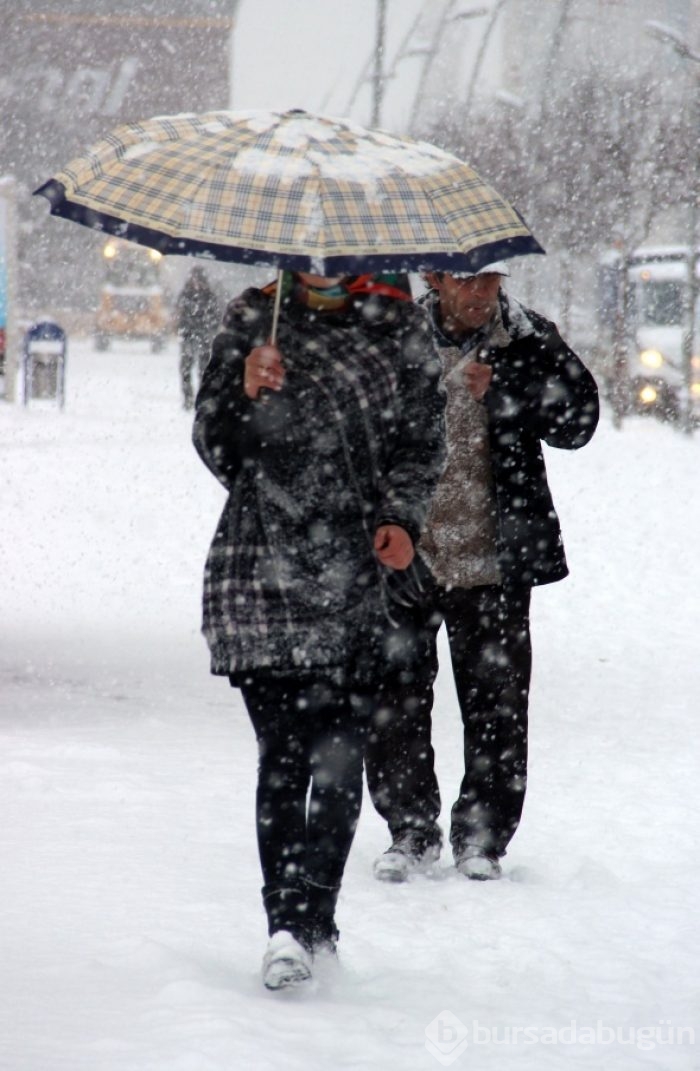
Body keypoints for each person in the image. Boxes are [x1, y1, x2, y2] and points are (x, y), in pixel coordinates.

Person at [192, 270, 445, 989]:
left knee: (338, 759)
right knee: (282, 754)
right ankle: (285, 923)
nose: (323, 262)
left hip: (356, 572)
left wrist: (400, 516)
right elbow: (217, 449)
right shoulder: (253, 316)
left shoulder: (397, 326)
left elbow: (423, 440)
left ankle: (314, 920)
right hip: (259, 571)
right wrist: (244, 393)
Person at [364, 262, 600, 883]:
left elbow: (581, 423)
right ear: (434, 279)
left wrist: (505, 390)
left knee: (497, 705)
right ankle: (411, 831)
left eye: (489, 280)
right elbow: (357, 430)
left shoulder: (531, 338)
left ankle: (483, 838)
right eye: (465, 280)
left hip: (496, 557)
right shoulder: (393, 337)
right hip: (405, 553)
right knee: (394, 701)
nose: (479, 293)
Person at [176, 266, 221, 409]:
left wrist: (208, 330)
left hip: (204, 338)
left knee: (203, 370)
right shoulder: (186, 294)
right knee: (186, 370)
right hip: (189, 336)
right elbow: (180, 313)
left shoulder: (209, 296)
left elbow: (215, 316)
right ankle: (188, 398)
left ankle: (201, 398)